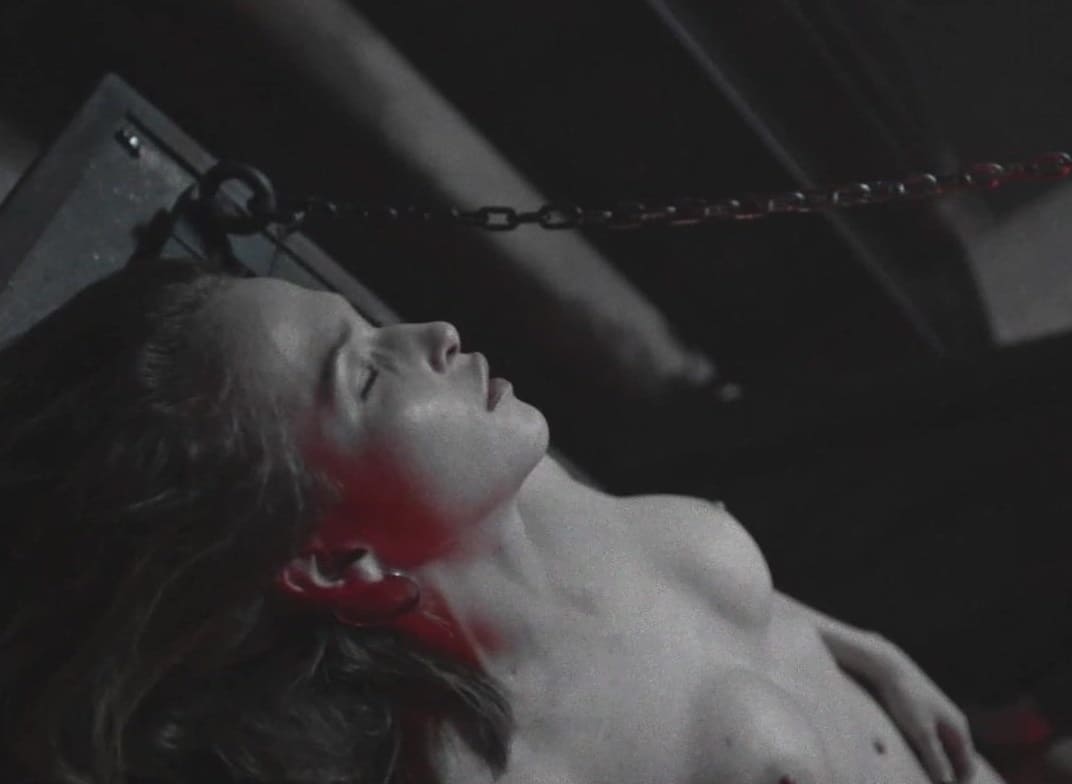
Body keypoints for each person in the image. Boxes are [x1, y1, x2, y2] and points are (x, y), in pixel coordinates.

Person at [0, 255, 1004, 784]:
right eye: (365, 372)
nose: (432, 333)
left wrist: (849, 643)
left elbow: (697, 623)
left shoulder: (528, 489)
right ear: (340, 562)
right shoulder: (518, 766)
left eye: (369, 321)